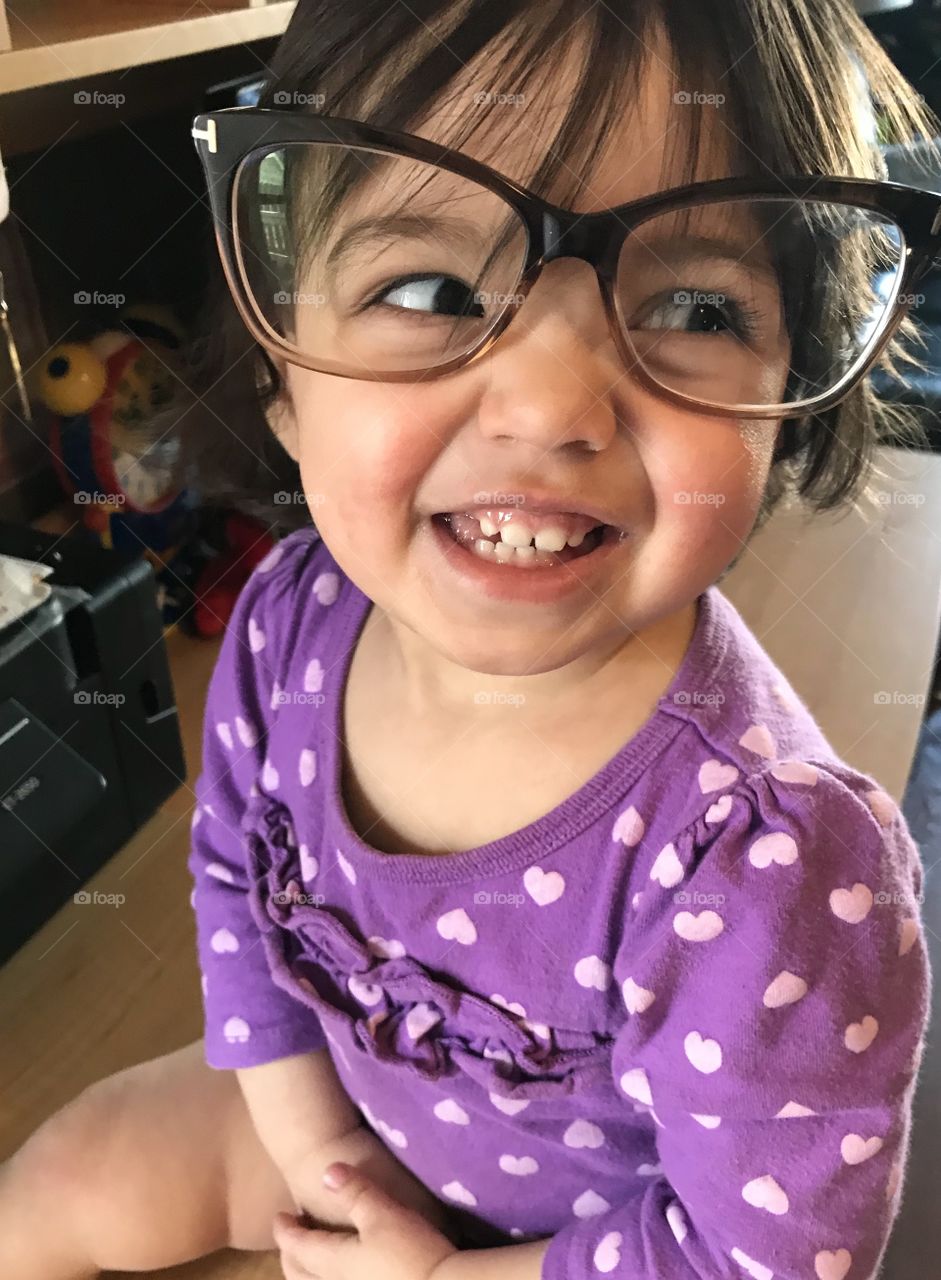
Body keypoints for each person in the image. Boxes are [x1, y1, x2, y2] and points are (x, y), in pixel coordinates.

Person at [3, 1, 938, 1277]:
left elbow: (759, 1258)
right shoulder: (290, 614)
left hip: (574, 1250)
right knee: (55, 1184)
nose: (548, 405)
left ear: (787, 405)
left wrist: (437, 1274)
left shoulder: (767, 858)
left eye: (694, 309)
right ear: (283, 376)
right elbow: (233, 879)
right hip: (334, 1109)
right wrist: (323, 1160)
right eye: (431, 289)